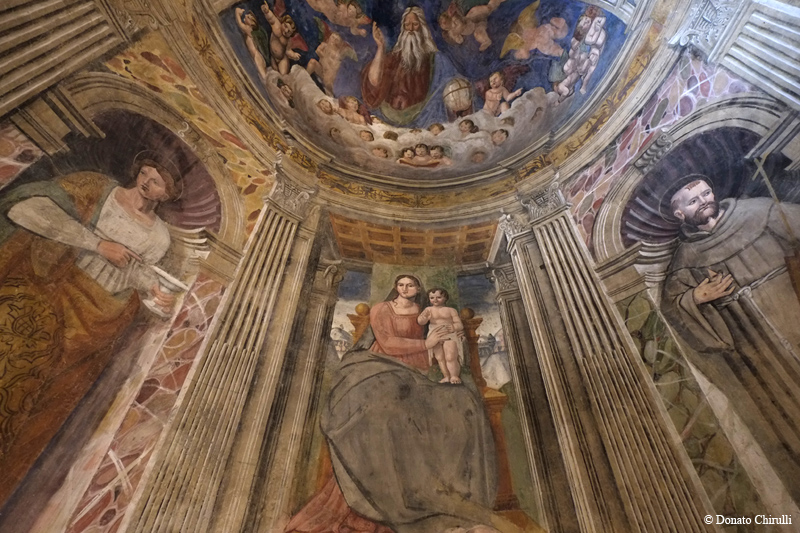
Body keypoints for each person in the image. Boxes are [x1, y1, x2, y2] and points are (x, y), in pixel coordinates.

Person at [0, 155, 180, 502]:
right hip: (47, 290)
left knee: (40, 402)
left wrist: (152, 289)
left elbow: (137, 271)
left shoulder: (160, 237)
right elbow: (24, 209)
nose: (145, 181)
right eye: (145, 172)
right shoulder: (95, 188)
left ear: (167, 194)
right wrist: (97, 244)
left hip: (99, 317)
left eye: (157, 181)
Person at [285, 274, 499, 532]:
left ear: (418, 289)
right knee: (384, 407)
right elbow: (386, 343)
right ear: (395, 287)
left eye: (410, 285)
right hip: (376, 366)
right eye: (400, 285)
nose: (405, 288)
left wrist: (446, 343)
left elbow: (440, 341)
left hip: (412, 374)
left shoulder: (423, 312)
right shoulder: (382, 309)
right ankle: (387, 496)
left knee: (457, 404)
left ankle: (430, 492)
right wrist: (426, 343)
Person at [661, 176, 800, 504]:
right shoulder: (686, 257)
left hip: (790, 307)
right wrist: (696, 297)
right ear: (680, 214)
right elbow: (672, 308)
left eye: (706, 193)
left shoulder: (759, 212)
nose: (704, 201)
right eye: (693, 201)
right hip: (757, 345)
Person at [361, 7, 438, 120]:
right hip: (389, 117)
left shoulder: (434, 58)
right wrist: (381, 47)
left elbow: (442, 85)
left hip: (421, 118)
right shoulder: (395, 57)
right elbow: (374, 81)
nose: (410, 29)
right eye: (407, 25)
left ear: (422, 27)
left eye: (415, 24)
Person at [418, 288, 465, 383]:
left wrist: (454, 327)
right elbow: (420, 322)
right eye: (432, 298)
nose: (435, 300)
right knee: (440, 357)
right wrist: (424, 317)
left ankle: (454, 376)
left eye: (438, 297)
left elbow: (459, 325)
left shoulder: (451, 310)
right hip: (435, 336)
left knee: (450, 357)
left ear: (445, 298)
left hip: (449, 335)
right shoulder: (428, 310)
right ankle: (446, 376)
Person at [261, 3, 301, 75]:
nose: (286, 31)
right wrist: (267, 11)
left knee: (283, 75)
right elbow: (271, 18)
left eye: (289, 31)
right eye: (285, 26)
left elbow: (288, 50)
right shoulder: (277, 26)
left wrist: (293, 55)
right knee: (274, 71)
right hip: (273, 57)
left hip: (282, 59)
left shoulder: (288, 40)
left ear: (291, 34)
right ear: (282, 22)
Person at [234, 8, 271, 84]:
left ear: (252, 24)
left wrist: (237, 12)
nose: (246, 16)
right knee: (263, 74)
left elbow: (239, 23)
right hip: (255, 55)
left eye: (248, 17)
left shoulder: (249, 29)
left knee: (264, 77)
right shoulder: (250, 30)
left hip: (256, 56)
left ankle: (269, 84)